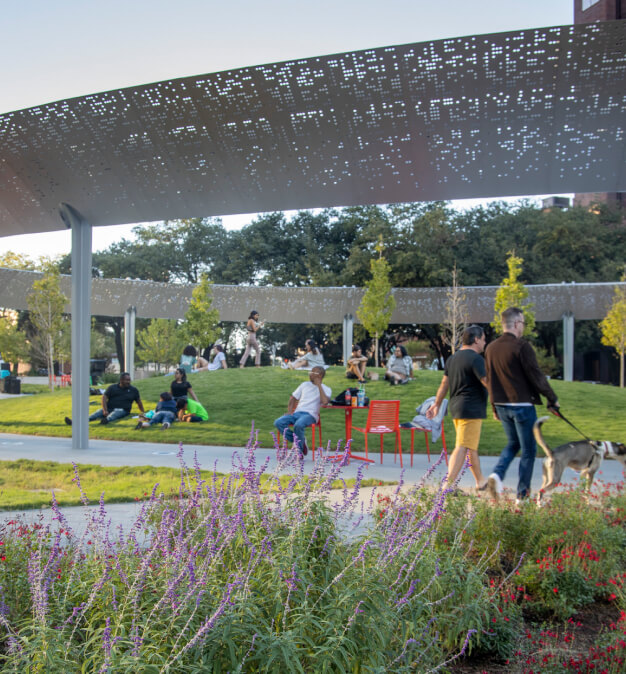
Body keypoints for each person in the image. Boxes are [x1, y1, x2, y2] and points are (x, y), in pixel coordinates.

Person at [485, 307, 559, 503]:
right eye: (523, 323)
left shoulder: (490, 348)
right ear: (517, 323)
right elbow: (536, 376)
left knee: (513, 443)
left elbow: (490, 379)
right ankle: (522, 495)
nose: (524, 327)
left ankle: (497, 475)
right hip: (522, 406)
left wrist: (494, 407)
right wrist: (552, 398)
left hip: (501, 404)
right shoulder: (521, 347)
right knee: (528, 450)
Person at [426, 326, 489, 492]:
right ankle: (448, 484)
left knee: (470, 446)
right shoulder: (476, 359)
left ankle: (480, 481)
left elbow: (444, 384)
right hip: (471, 409)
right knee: (462, 446)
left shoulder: (452, 359)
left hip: (457, 408)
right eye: (483, 338)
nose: (485, 342)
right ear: (476, 339)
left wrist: (436, 404)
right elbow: (486, 381)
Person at [274, 366, 331, 456]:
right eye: (310, 372)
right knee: (278, 422)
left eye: (313, 373)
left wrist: (319, 385)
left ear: (319, 376)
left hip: (310, 415)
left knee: (299, 424)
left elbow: (325, 402)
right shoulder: (304, 385)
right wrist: (289, 411)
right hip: (297, 413)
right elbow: (293, 398)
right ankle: (300, 440)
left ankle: (299, 453)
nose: (310, 374)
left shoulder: (326, 389)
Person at [64, 372, 144, 425]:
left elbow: (139, 402)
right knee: (95, 414)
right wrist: (105, 410)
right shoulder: (112, 388)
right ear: (121, 380)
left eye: (129, 380)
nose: (128, 382)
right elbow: (104, 398)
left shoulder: (133, 390)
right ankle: (75, 422)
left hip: (123, 410)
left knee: (116, 412)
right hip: (109, 408)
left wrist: (143, 412)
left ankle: (106, 420)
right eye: (126, 380)